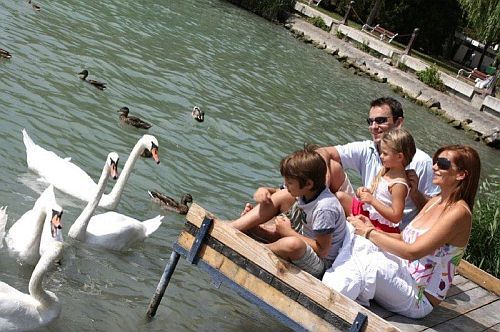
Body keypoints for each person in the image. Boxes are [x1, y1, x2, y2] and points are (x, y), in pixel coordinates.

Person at [322, 145, 481, 319]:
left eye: (442, 163)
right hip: (403, 271)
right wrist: (372, 229)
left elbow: (412, 252)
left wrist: (369, 233)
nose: (434, 167)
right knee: (360, 242)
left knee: (371, 266)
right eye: (435, 162)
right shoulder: (436, 200)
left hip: (418, 296)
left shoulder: (459, 213)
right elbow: (404, 238)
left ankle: (328, 303)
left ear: (461, 175)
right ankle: (330, 296)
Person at [319, 97, 440, 229]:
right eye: (370, 121)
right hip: (369, 211)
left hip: (392, 227)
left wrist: (415, 193)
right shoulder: (367, 149)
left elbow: (436, 211)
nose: (374, 127)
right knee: (330, 166)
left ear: (398, 122)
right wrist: (326, 175)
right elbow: (322, 151)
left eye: (381, 121)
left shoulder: (421, 161)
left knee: (338, 196)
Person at [230, 145, 346, 279]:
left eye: (289, 182)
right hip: (305, 235)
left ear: (308, 184)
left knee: (293, 244)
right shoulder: (310, 190)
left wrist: (288, 232)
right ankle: (235, 227)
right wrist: (264, 191)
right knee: (284, 194)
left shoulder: (325, 208)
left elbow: (323, 250)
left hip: (321, 264)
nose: (286, 184)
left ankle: (258, 247)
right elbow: (280, 192)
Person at [337, 128, 416, 233]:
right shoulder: (387, 171)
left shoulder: (398, 185)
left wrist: (372, 201)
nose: (381, 156)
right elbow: (381, 196)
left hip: (380, 225)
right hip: (369, 212)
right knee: (340, 196)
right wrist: (367, 192)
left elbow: (396, 216)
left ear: (399, 157)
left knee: (340, 198)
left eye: (385, 154)